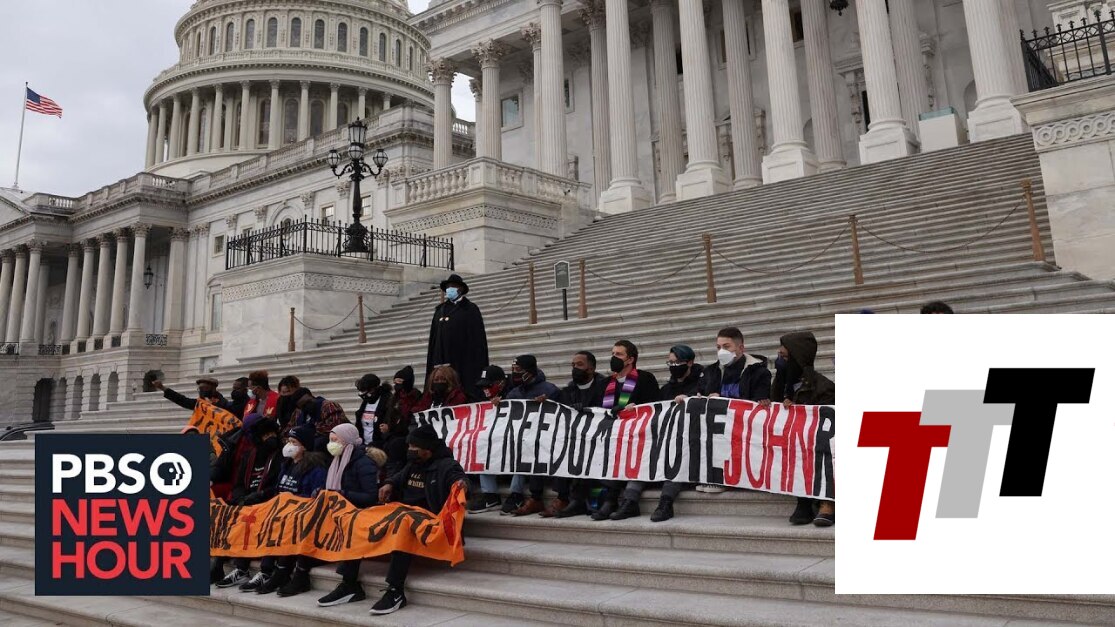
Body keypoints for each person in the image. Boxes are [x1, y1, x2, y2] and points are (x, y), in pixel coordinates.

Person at [277, 423, 380, 606]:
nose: (331, 444)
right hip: (338, 509)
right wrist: (322, 492)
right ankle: (287, 570)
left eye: (335, 440)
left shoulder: (363, 463)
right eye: (330, 440)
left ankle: (348, 584)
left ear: (347, 441)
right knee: (302, 518)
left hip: (357, 512)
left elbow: (371, 497)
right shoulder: (337, 459)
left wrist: (341, 494)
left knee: (320, 523)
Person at [373, 424, 468, 615]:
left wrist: (461, 485)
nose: (409, 450)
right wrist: (389, 483)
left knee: (403, 524)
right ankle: (349, 583)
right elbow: (398, 477)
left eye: (414, 447)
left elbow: (460, 480)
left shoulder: (447, 466)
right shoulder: (413, 464)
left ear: (427, 449)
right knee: (360, 518)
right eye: (409, 446)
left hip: (429, 518)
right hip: (405, 512)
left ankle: (395, 590)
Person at [243, 425, 329, 594]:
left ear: (304, 447)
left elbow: (315, 496)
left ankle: (285, 571)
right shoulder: (286, 465)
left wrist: (290, 502)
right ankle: (267, 570)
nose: (289, 445)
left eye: (294, 442)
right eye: (288, 441)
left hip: (302, 514)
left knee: (284, 524)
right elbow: (278, 490)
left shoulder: (316, 469)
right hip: (283, 512)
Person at [691, 328, 772, 495]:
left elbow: (757, 402)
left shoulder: (759, 372)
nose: (721, 351)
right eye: (718, 347)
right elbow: (700, 391)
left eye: (726, 346)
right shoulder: (711, 371)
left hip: (743, 426)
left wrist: (722, 399)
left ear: (740, 348)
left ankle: (727, 477)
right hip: (716, 425)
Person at [770, 331, 836, 527]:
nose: (779, 361)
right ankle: (803, 501)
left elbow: (825, 423)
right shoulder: (781, 383)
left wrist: (798, 410)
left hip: (815, 443)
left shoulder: (823, 387)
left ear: (797, 358)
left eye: (784, 357)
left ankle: (826, 501)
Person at [212, 414, 283, 588]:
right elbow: (238, 483)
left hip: (268, 501)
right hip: (247, 499)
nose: (270, 439)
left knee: (253, 518)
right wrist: (240, 497)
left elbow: (278, 485)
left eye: (272, 434)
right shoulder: (250, 455)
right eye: (266, 435)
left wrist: (258, 496)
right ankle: (220, 565)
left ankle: (255, 569)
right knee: (227, 515)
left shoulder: (280, 455)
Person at [593, 340, 659, 522]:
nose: (613, 357)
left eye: (618, 354)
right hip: (613, 436)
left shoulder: (645, 379)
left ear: (630, 359)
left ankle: (627, 501)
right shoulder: (605, 383)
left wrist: (636, 408)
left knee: (633, 456)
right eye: (612, 354)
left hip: (639, 436)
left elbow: (654, 406)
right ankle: (610, 500)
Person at [551, 351, 608, 518]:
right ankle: (566, 498)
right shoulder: (568, 390)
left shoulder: (605, 387)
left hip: (599, 437)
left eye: (580, 364)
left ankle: (586, 500)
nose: (575, 368)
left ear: (591, 368)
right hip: (575, 437)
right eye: (573, 365)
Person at [505, 355, 561, 517]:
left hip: (547, 437)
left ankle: (556, 497)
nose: (514, 373)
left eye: (518, 370)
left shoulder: (550, 390)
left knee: (537, 447)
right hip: (523, 438)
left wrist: (548, 404)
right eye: (513, 370)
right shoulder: (514, 392)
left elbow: (562, 414)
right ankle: (531, 497)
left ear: (529, 371)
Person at [426, 274, 488, 401]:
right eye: (448, 287)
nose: (450, 289)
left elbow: (477, 340)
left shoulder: (470, 309)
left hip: (463, 360)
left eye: (453, 286)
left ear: (460, 289)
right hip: (441, 359)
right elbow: (434, 339)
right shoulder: (440, 310)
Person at [467, 365, 511, 514]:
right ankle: (490, 495)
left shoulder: (514, 392)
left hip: (511, 441)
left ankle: (516, 494)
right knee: (481, 444)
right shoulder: (483, 398)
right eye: (483, 386)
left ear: (501, 383)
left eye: (488, 385)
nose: (485, 389)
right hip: (494, 441)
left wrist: (505, 402)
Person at [355, 374, 407, 479]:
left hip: (380, 444)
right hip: (364, 443)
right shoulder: (366, 402)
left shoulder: (388, 400)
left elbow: (395, 422)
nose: (365, 395)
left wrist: (388, 429)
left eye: (367, 392)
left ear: (374, 389)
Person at [153, 376, 248, 418]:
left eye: (205, 388)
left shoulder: (222, 404)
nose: (201, 391)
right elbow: (182, 400)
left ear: (213, 389)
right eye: (200, 388)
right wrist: (162, 388)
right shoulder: (200, 403)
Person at [289, 387, 349, 451]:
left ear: (311, 396)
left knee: (319, 442)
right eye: (303, 406)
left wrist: (308, 431)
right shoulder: (300, 413)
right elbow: (290, 428)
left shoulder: (328, 405)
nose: (307, 406)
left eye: (308, 402)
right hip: (308, 443)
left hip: (334, 441)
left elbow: (334, 427)